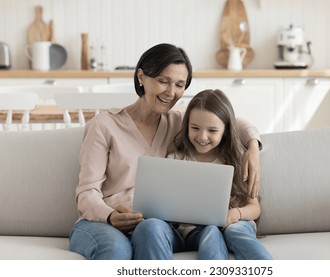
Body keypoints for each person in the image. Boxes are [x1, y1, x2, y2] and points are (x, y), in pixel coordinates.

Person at [69, 43, 262, 260]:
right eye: (163, 81)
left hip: (154, 225)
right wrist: (110, 216)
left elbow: (228, 120)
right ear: (141, 77)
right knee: (116, 250)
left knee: (152, 227)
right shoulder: (103, 125)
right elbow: (86, 193)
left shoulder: (180, 123)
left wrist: (253, 145)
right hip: (101, 223)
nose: (171, 93)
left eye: (180, 85)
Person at [169, 89, 272, 260]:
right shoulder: (176, 159)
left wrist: (235, 214)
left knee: (235, 231)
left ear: (225, 130)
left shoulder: (236, 158)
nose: (202, 137)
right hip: (195, 231)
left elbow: (254, 208)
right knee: (210, 233)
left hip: (236, 222)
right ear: (186, 125)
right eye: (195, 128)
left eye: (212, 130)